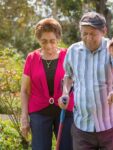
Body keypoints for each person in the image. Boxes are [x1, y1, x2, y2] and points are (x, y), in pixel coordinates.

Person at [58, 12, 113, 150]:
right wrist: (65, 93)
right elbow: (68, 75)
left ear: (104, 31)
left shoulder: (112, 48)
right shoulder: (73, 51)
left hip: (110, 125)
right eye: (84, 33)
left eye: (93, 34)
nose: (88, 38)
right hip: (82, 127)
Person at [20, 18, 74, 150]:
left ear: (58, 39)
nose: (49, 46)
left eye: (52, 41)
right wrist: (24, 117)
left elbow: (74, 80)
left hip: (65, 111)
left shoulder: (68, 55)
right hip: (39, 113)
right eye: (44, 41)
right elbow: (25, 90)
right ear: (38, 40)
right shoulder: (31, 58)